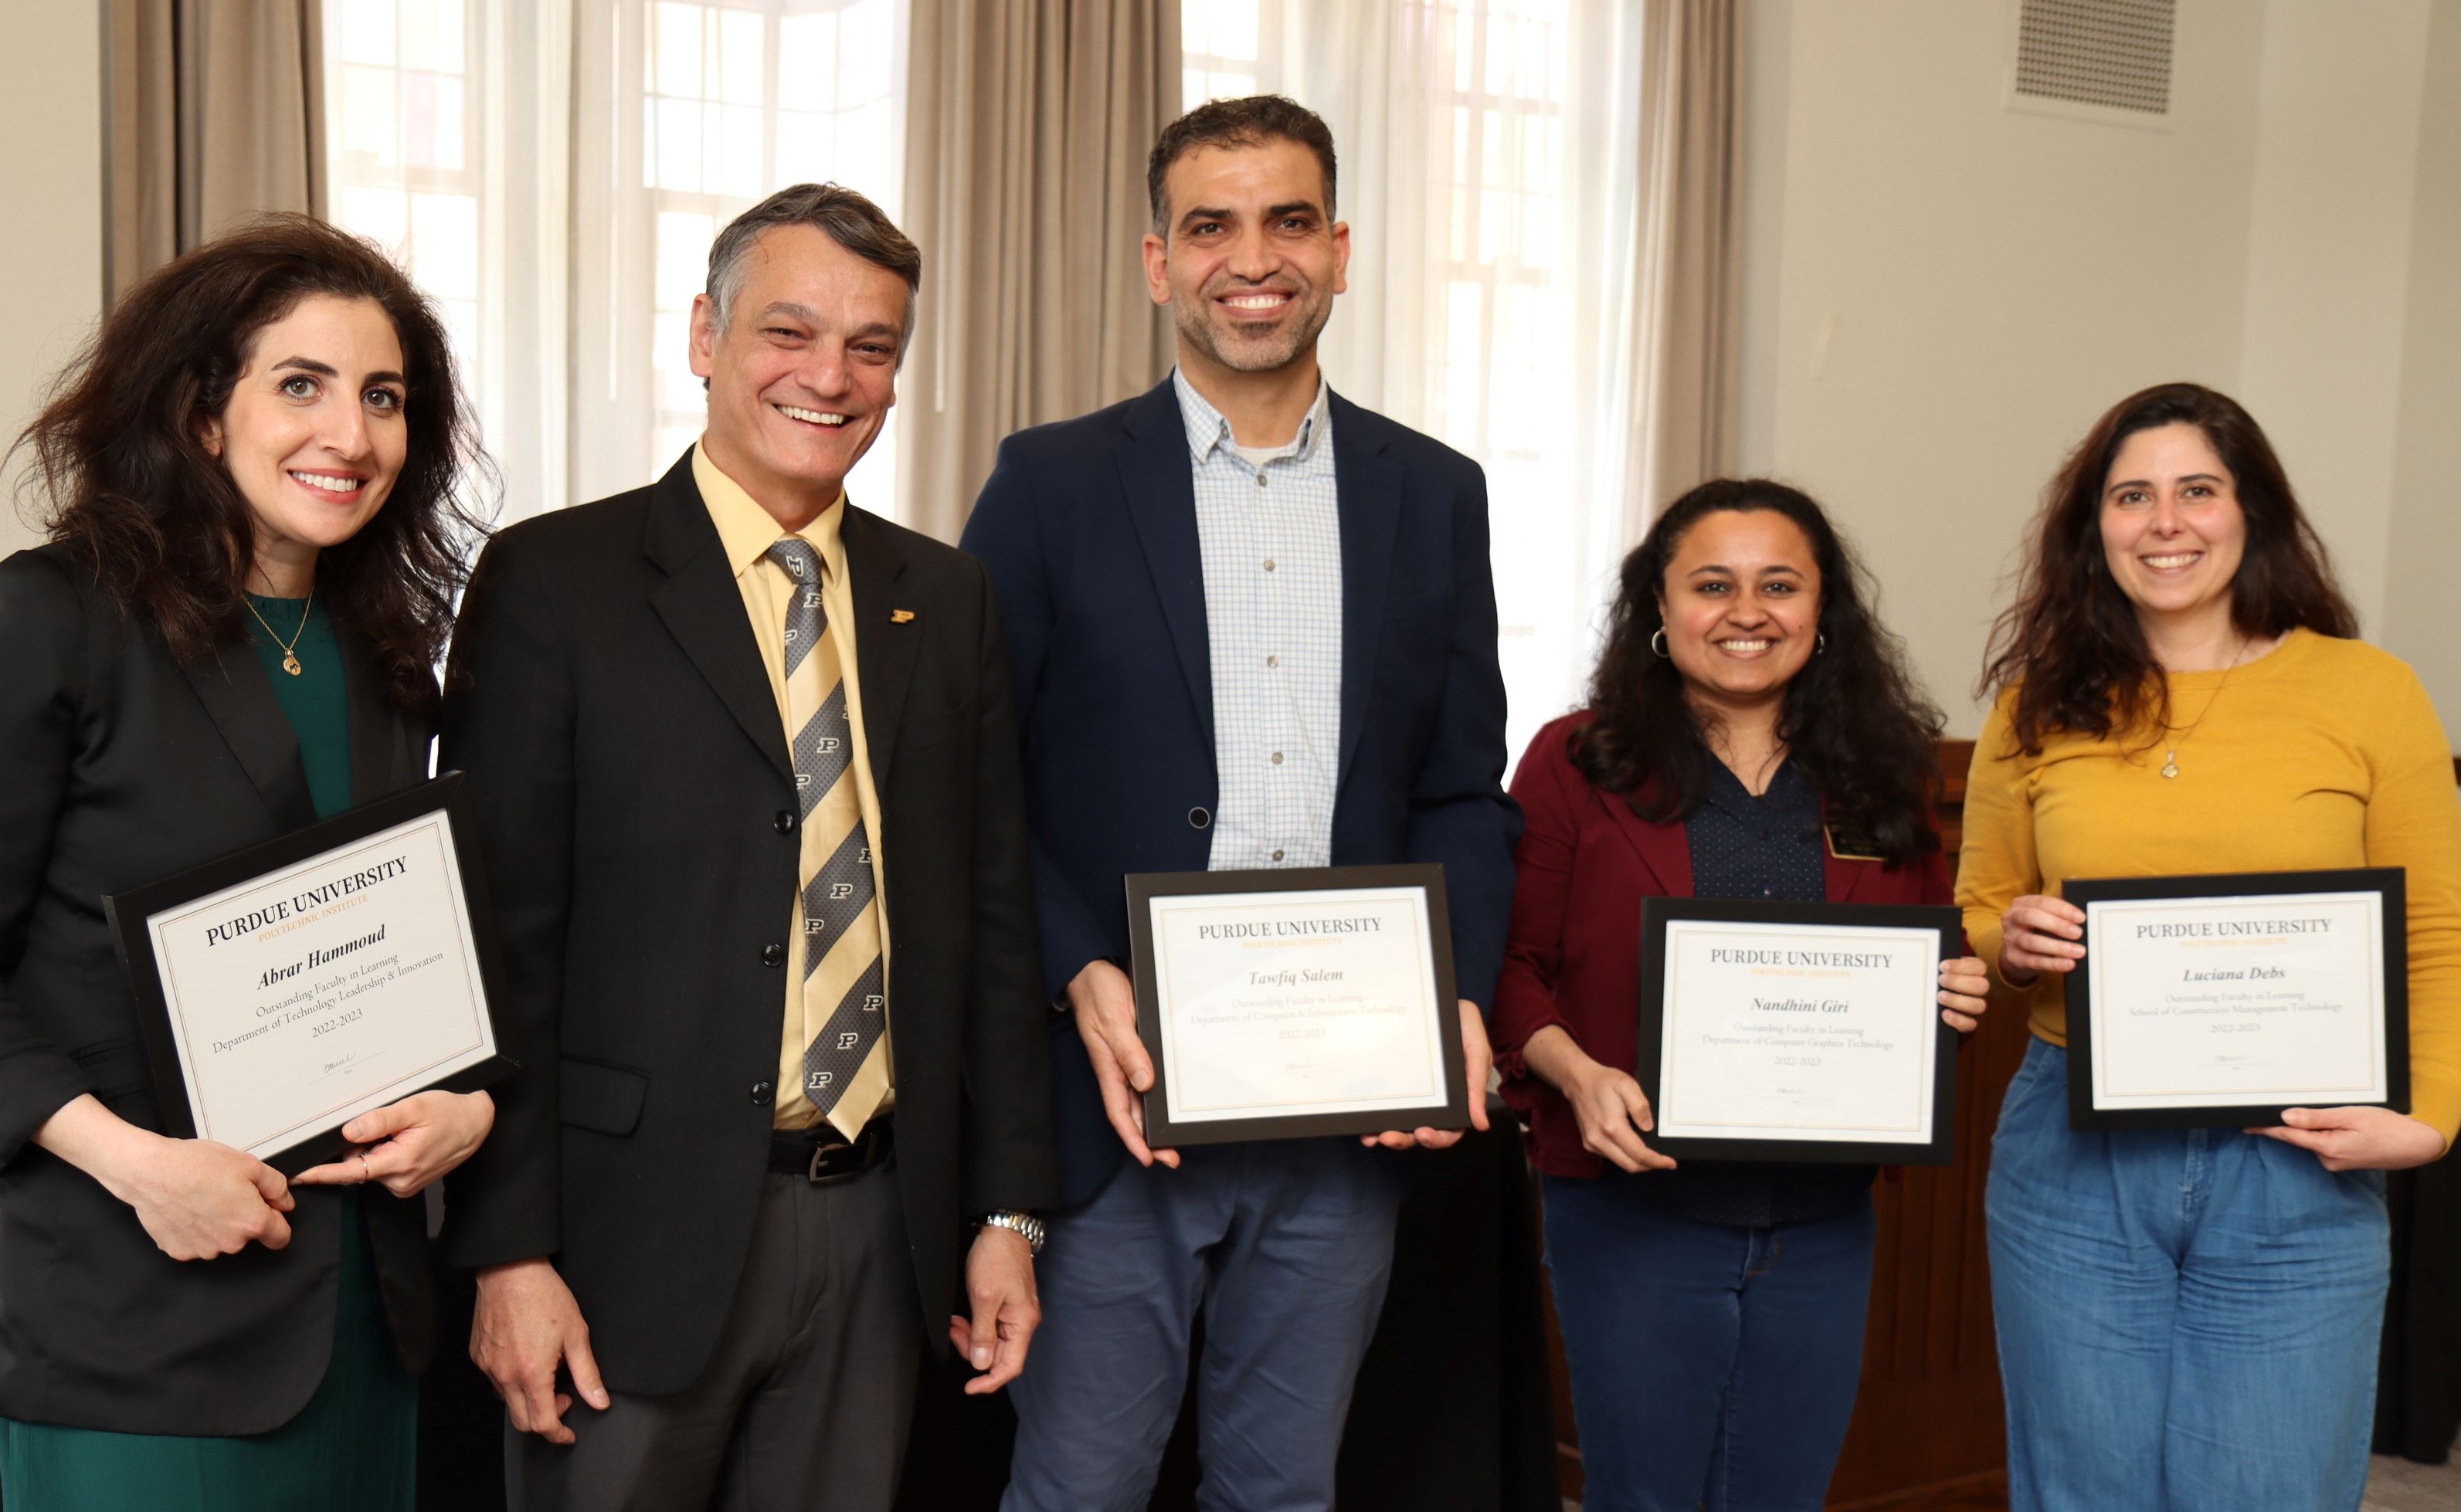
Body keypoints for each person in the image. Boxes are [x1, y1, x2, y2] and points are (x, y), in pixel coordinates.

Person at [0, 214, 499, 1510]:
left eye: (384, 396)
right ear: (204, 414)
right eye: (301, 385)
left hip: (369, 1324)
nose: (353, 433)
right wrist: (141, 1166)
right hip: (133, 1315)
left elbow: (394, 944)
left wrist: (465, 1102)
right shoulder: (49, 619)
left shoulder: (383, 651)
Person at [437, 182, 1054, 1511]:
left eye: (872, 346)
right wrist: (507, 1252)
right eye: (790, 331)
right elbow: (496, 947)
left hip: (880, 1227)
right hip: (622, 1241)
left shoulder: (945, 600)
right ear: (705, 334)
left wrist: (1007, 1216)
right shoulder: (555, 582)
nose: (830, 376)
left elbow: (991, 934)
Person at [958, 95, 1519, 1510]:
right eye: (1210, 225)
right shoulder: (1052, 482)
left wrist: (1454, 991)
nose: (1249, 257)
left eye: (1286, 222)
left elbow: (1461, 784)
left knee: (1281, 1492)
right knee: (1079, 1486)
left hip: (1345, 1107)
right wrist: (1075, 964)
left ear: (1339, 251)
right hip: (1121, 1100)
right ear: (1159, 262)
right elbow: (971, 780)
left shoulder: (1436, 494)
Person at [1960, 381, 2461, 1511]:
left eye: (2198, 490)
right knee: (2082, 1487)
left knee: (2270, 1486)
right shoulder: (2036, 702)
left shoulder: (2368, 691)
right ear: (2096, 525)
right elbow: (1986, 902)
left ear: (2253, 510)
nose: (2165, 521)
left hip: (2299, 1153)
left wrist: (2431, 1115)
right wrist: (2017, 939)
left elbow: (2435, 930)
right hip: (2072, 1153)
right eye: (2133, 495)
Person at [1488, 480, 1991, 1511]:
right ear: (1661, 610)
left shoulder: (1880, 777)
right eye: (1713, 584)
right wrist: (1575, 1073)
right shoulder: (1575, 761)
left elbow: (1924, 959)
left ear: (1823, 611)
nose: (1747, 610)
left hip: (1823, 1222)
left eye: (1780, 584)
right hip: (1634, 1215)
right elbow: (1511, 965)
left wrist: (1955, 990)